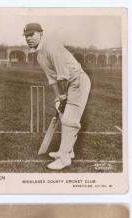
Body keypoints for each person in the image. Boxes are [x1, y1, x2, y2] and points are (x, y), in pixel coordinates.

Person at [24, 22, 91, 170]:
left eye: (32, 35)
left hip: (77, 81)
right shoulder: (39, 54)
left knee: (69, 119)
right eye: (26, 36)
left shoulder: (51, 47)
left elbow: (63, 76)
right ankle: (68, 150)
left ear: (41, 33)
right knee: (63, 115)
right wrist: (58, 98)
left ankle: (64, 159)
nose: (28, 38)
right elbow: (52, 79)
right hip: (67, 83)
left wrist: (63, 97)